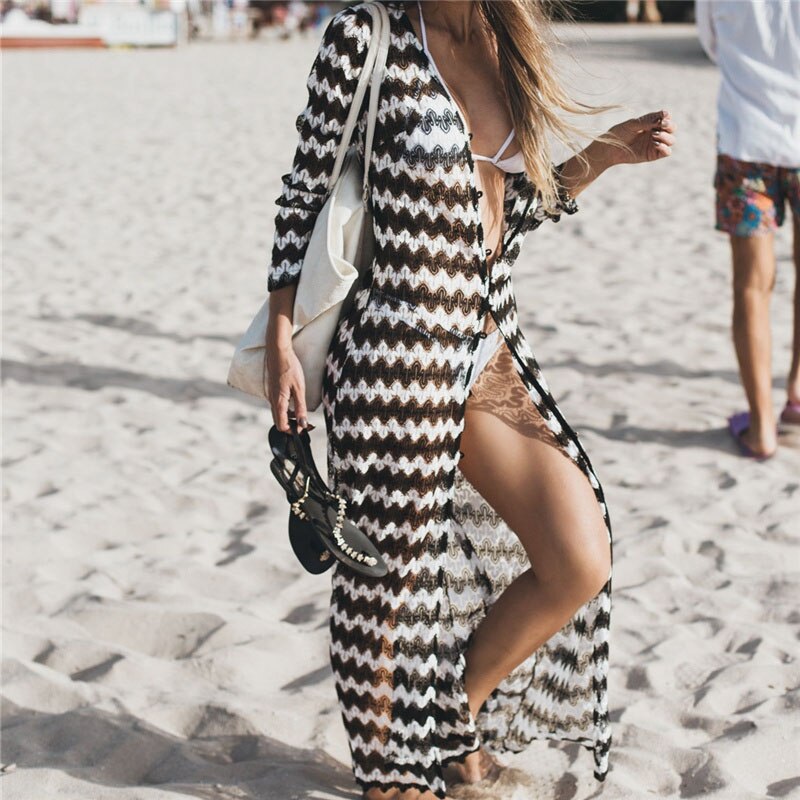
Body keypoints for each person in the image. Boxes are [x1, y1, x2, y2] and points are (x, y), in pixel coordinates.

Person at [265, 2, 675, 797]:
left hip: (490, 344)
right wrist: (282, 335)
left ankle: (453, 721)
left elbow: (506, 211)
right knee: (386, 579)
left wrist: (603, 155)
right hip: (397, 347)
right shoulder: (367, 39)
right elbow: (302, 195)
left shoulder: (506, 38)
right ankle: (389, 774)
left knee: (577, 557)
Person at [696, 0, 800, 460]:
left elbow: (712, 44)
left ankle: (762, 428)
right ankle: (797, 392)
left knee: (752, 287)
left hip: (746, 141)